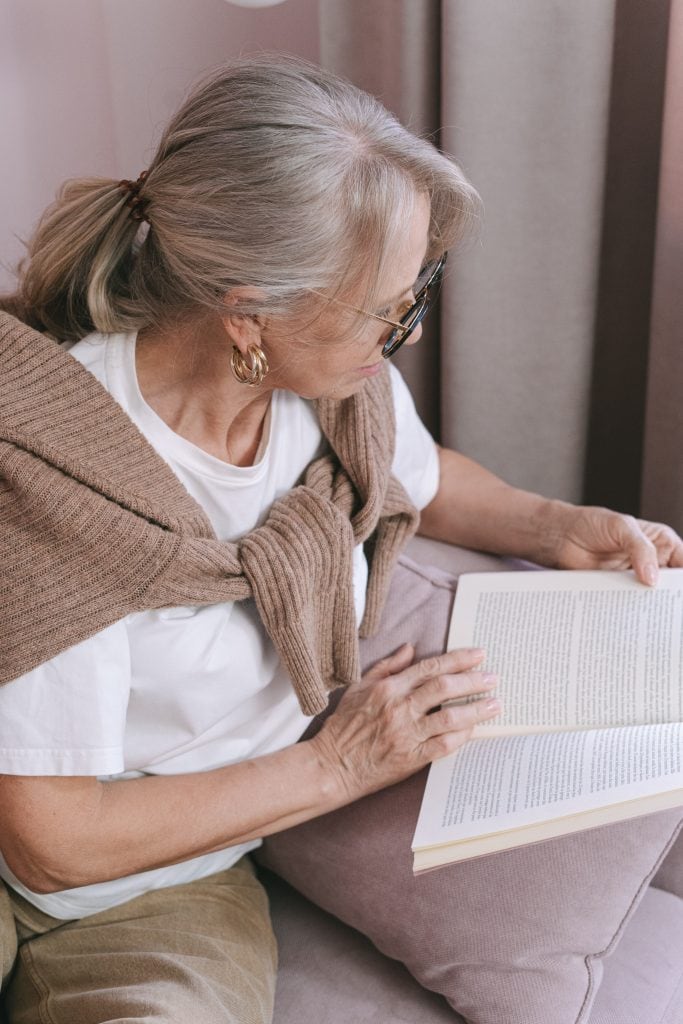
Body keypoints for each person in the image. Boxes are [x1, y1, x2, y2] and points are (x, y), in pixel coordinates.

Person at [0, 55, 681, 1024]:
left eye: (414, 292)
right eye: (383, 306)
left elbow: (429, 476)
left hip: (171, 887)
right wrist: (339, 764)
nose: (399, 333)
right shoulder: (49, 476)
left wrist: (556, 524)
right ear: (250, 312)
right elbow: (53, 843)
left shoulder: (338, 402)